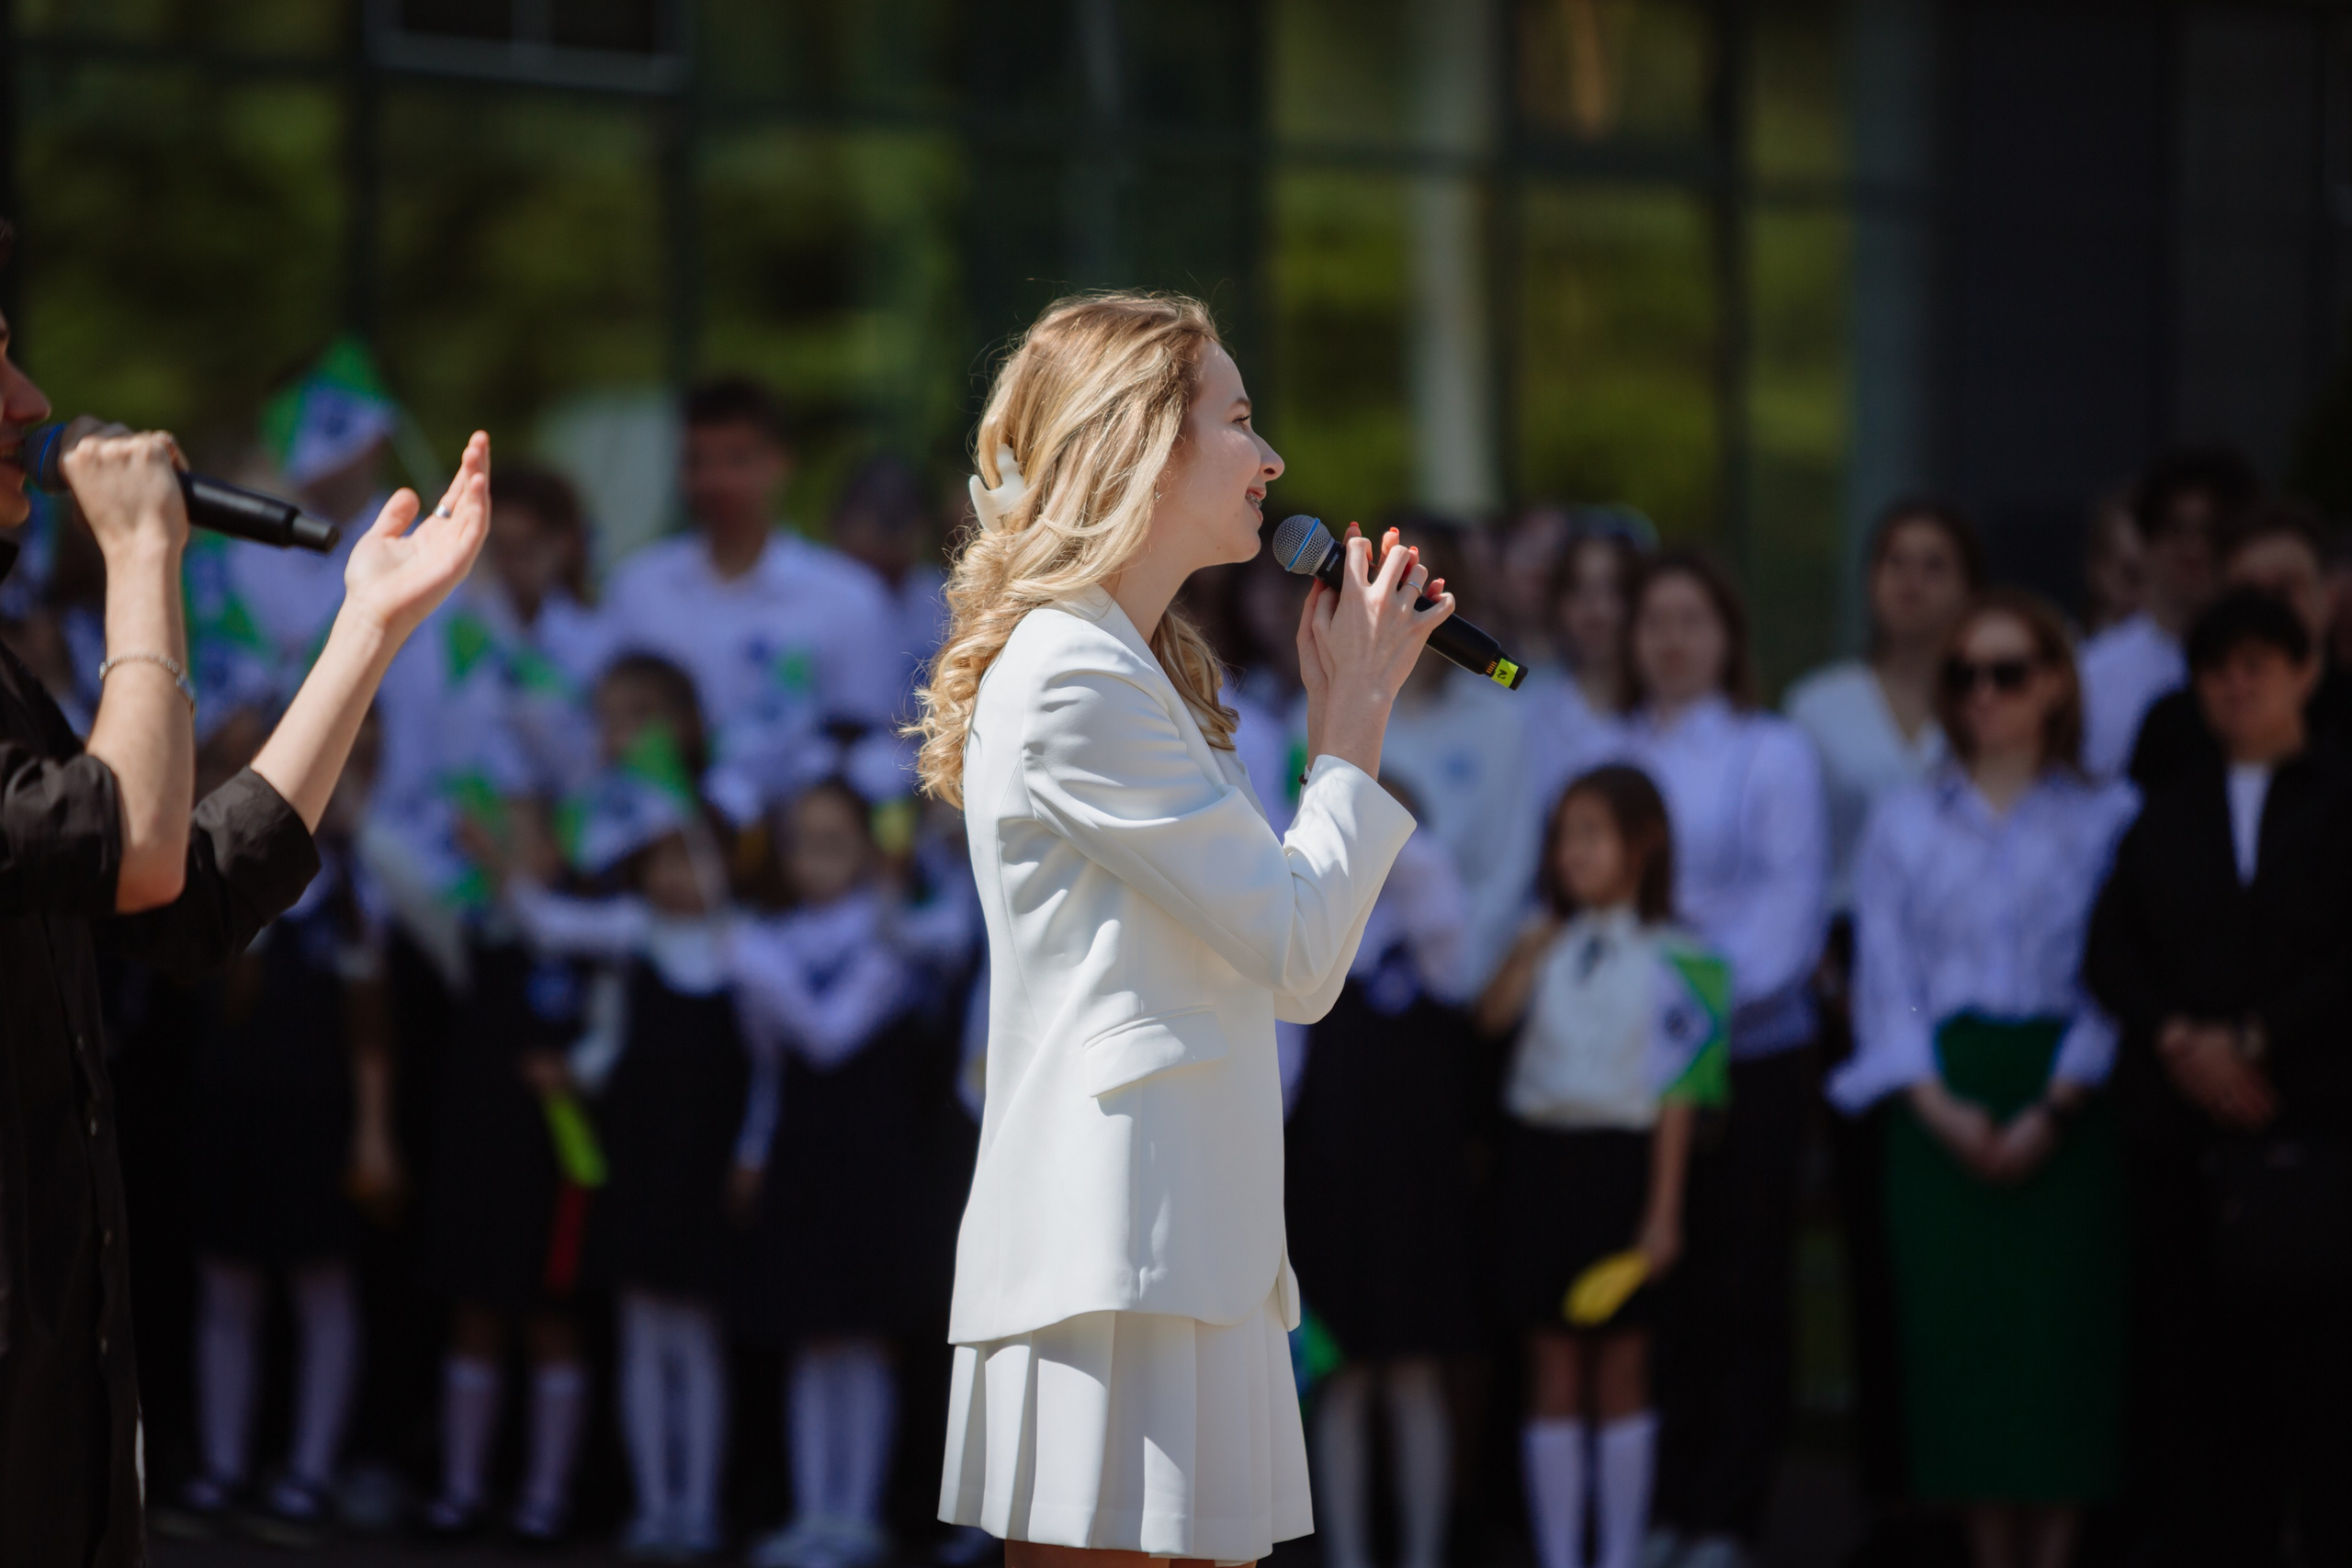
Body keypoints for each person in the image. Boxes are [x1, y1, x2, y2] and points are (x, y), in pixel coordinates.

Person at [915, 291, 1446, 1566]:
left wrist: (1340, 729)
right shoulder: (1075, 674)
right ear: (1143, 444)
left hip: (1182, 1246)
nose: (1271, 461)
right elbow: (1301, 954)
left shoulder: (1133, 667)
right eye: (1241, 421)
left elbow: (1283, 954)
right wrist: (1354, 726)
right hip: (1116, 1254)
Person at [0, 222, 493, 1563]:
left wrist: (367, 629)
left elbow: (185, 896)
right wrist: (145, 557)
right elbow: (134, 844)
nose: (35, 403)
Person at [1832, 592, 2136, 1568]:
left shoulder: (2109, 814)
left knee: (2062, 1361)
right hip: (1937, 1108)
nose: (1986, 695)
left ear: (2055, 683)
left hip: (2070, 1102)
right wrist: (1945, 1112)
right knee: (1961, 1360)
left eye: (2010, 672)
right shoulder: (1902, 821)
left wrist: (2055, 1108)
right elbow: (1885, 986)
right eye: (1966, 675)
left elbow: (2126, 975)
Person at [2086, 587, 2352, 1567]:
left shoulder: (2340, 797)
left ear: (2305, 672)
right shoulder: (2166, 809)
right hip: (2183, 1141)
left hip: (2313, 1129)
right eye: (2218, 669)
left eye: (2259, 665)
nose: (2238, 685)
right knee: (2200, 1381)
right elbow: (2110, 950)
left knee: (2323, 1387)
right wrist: (2178, 1042)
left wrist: (2258, 1036)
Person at [1605, 550, 1827, 1568]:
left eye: (1693, 619)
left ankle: (1729, 1517)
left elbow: (1789, 916)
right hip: (1633, 1061)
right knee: (1664, 1285)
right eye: (1655, 619)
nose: (1672, 639)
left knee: (1743, 1283)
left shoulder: (1771, 749)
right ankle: (1666, 1502)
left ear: (1728, 636)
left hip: (1747, 1051)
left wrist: (1692, 1009)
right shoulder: (1611, 748)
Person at [490, 701, 748, 1562]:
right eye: (662, 858)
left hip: (706, 1174)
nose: (677, 875)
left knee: (700, 1347)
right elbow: (552, 927)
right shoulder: (635, 936)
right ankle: (654, 1506)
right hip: (638, 1168)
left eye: (691, 855)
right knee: (643, 1340)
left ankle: (700, 1509)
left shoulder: (743, 954)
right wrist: (497, 861)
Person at [1477, 765, 1729, 1568]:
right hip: (1540, 1165)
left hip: (1625, 1170)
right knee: (1549, 1366)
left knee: (1622, 1369)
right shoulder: (1537, 937)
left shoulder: (1687, 957)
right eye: (1562, 835)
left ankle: (1618, 1554)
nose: (1570, 852)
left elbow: (1681, 1095)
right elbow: (1488, 1020)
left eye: (1591, 833)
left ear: (1641, 845)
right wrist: (1522, 957)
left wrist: (1663, 1211)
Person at [171, 711, 401, 1544]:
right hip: (229, 1108)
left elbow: (371, 1028)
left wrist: (374, 1133)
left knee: (320, 1288)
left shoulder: (351, 886)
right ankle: (225, 1466)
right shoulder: (208, 868)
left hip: (317, 1117)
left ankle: (310, 1471)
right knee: (227, 1283)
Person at [731, 780, 933, 1568]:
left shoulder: (894, 933)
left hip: (873, 1162)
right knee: (810, 1338)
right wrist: (751, 1148)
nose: (815, 860)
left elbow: (830, 1033)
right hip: (802, 1160)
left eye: (835, 842)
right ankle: (815, 1512)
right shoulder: (772, 935)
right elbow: (769, 1071)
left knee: (864, 1341)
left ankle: (858, 1517)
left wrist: (759, 971)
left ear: (869, 848)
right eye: (802, 842)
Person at [1283, 784, 1477, 1568]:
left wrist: (1383, 832)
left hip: (1416, 1196)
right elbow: (1284, 1076)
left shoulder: (1432, 944)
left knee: (1414, 1375)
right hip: (1330, 1191)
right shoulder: (1306, 948)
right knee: (1343, 1379)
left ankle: (1424, 1554)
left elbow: (1455, 954)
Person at [605, 377, 899, 820]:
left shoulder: (848, 598)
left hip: (801, 869)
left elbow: (870, 753)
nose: (715, 480)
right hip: (659, 852)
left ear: (779, 464)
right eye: (698, 462)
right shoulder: (637, 587)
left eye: (736, 460)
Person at [1784, 500, 1980, 912]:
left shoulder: (1995, 699)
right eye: (1896, 562)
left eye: (1934, 566)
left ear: (1969, 587)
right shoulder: (1817, 705)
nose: (1912, 581)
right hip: (1843, 935)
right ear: (1870, 580)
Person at [1377, 514, 1540, 990]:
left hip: (1462, 986)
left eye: (1422, 587)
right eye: (1392, 582)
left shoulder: (1501, 720)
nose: (1407, 604)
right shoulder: (1320, 705)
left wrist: (1459, 971)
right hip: (1342, 990)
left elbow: (1509, 868)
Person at [2127, 500, 2352, 793]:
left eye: (2285, 589)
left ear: (2329, 598)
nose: (2266, 610)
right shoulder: (2175, 727)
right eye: (2248, 593)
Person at [2076, 447, 2259, 780]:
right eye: (2174, 530)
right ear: (2145, 542)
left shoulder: (2271, 670)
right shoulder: (2091, 674)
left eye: (2210, 531)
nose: (2192, 549)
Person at [1525, 523, 1643, 834]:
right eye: (1579, 589)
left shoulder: (1663, 714)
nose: (1596, 609)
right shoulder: (1529, 714)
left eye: (1612, 589)